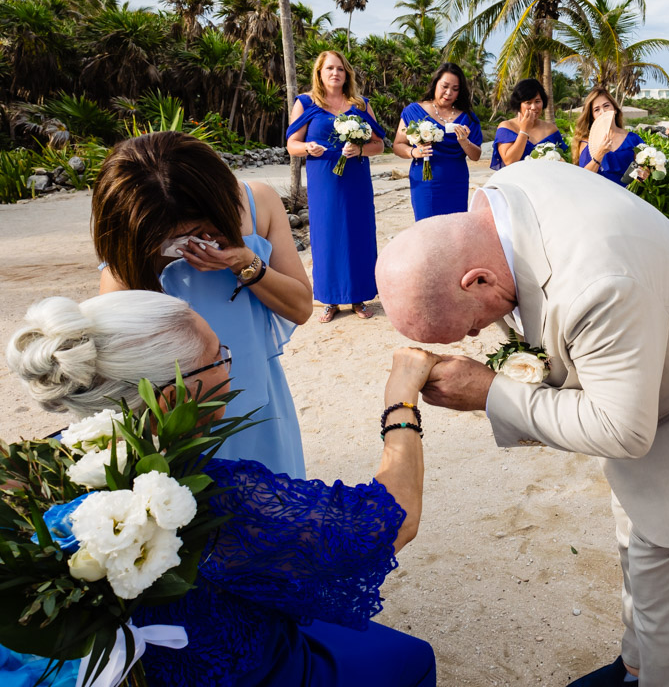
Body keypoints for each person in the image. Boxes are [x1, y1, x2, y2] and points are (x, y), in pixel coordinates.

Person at [375, 161, 669, 687]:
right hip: (646, 385)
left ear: (478, 277)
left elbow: (624, 429)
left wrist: (492, 392)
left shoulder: (598, 281)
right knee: (636, 540)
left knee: (663, 584)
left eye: (472, 323)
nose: (478, 334)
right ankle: (633, 668)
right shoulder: (504, 197)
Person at [6, 291, 438, 687]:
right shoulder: (204, 495)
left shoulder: (41, 465)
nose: (228, 367)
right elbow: (388, 522)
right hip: (233, 674)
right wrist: (400, 401)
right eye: (218, 359)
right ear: (170, 398)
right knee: (410, 658)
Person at [94, 131, 312, 479]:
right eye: (169, 237)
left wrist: (246, 262)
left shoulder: (258, 202)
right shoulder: (133, 238)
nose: (188, 242)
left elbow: (301, 307)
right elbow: (112, 358)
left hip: (261, 402)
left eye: (197, 228)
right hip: (181, 419)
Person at [286, 49, 388, 323]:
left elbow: (378, 144)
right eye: (330, 68)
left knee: (358, 234)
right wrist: (307, 146)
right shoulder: (306, 103)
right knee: (327, 235)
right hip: (324, 179)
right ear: (319, 73)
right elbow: (291, 145)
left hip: (355, 177)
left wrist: (360, 150)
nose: (335, 73)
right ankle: (330, 299)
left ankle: (359, 297)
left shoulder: (360, 104)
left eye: (340, 69)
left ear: (347, 74)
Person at [395, 63, 484, 219]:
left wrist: (464, 142)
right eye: (445, 86)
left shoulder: (467, 118)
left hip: (456, 181)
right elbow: (398, 144)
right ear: (435, 83)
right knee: (427, 229)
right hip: (424, 181)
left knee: (455, 230)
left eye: (455, 89)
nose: (448, 93)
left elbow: (476, 155)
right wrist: (413, 152)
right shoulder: (414, 111)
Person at [491, 78, 567, 169]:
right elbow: (509, 161)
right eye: (528, 103)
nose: (534, 107)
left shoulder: (551, 129)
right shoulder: (507, 127)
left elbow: (563, 161)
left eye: (537, 101)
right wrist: (524, 130)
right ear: (519, 104)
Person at [573, 89, 644, 185]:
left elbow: (642, 172)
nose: (603, 112)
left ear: (615, 109)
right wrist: (599, 154)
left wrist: (644, 174)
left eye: (606, 106)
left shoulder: (633, 139)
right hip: (599, 196)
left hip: (627, 196)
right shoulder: (586, 143)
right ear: (592, 116)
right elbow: (583, 178)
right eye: (596, 110)